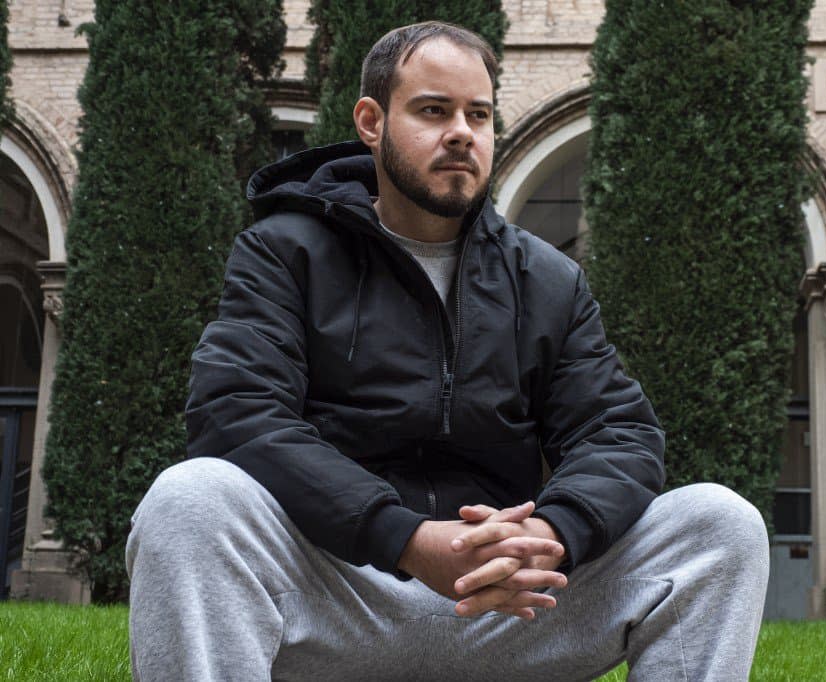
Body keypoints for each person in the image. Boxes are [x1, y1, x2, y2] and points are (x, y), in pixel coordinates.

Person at [126, 21, 769, 682]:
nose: (462, 131)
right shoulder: (284, 252)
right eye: (434, 110)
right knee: (189, 499)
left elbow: (622, 435)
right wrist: (404, 538)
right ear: (372, 121)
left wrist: (549, 535)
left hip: (508, 604)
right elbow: (237, 413)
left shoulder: (546, 280)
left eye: (479, 114)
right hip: (341, 592)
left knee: (721, 526)